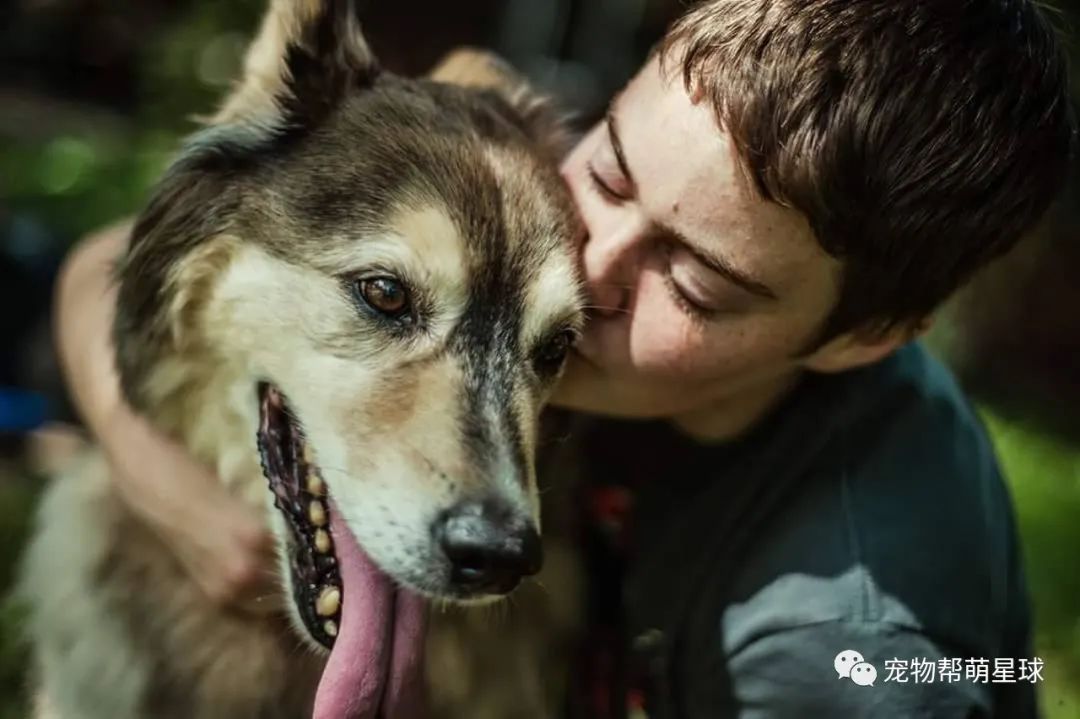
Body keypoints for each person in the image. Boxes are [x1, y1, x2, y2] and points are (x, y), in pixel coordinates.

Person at [53, 0, 1073, 716]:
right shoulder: (579, 299)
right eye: (613, 172)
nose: (591, 270)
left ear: (861, 339)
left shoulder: (834, 661)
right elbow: (113, 261)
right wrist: (152, 467)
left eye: (699, 284)